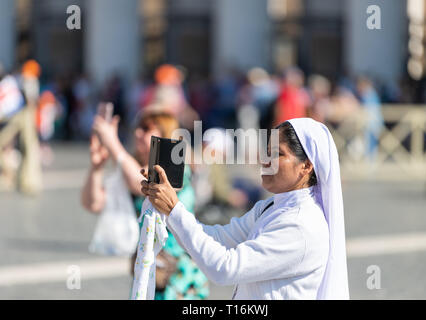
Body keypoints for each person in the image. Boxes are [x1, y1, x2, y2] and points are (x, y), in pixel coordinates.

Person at [141, 117, 349, 299]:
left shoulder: (301, 225)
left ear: (306, 165)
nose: (265, 160)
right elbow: (217, 237)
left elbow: (225, 269)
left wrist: (174, 209)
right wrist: (168, 208)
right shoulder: (269, 206)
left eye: (277, 153)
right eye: (267, 151)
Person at [81, 109, 209, 300]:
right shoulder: (132, 166)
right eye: (137, 128)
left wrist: (113, 143)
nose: (137, 134)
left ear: (164, 135)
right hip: (149, 269)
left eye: (146, 129)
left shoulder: (176, 168)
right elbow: (93, 203)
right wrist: (96, 168)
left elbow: (142, 182)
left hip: (179, 274)